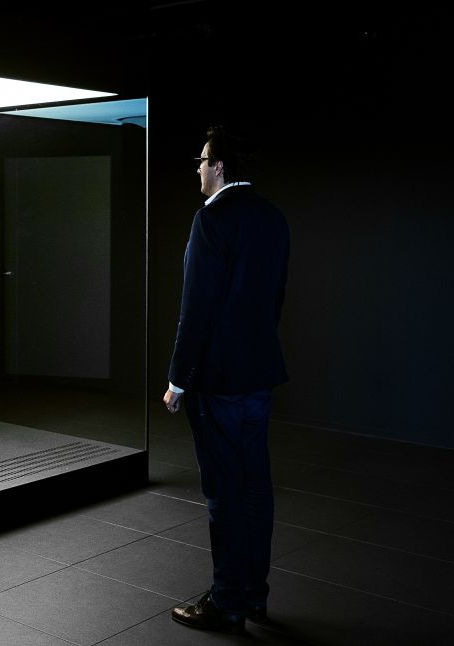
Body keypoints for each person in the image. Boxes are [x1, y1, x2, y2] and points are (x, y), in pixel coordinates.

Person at [164, 126, 290, 634]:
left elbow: (196, 309)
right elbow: (274, 301)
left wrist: (177, 380)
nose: (197, 168)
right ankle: (254, 597)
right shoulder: (273, 219)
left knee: (223, 493)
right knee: (256, 488)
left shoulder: (210, 219)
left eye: (201, 160)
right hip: (258, 373)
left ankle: (226, 603)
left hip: (216, 380)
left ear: (218, 166)